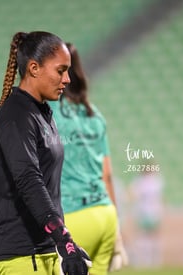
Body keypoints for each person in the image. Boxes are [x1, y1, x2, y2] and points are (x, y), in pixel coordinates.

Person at [0, 31, 91, 275]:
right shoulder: (17, 116)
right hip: (21, 254)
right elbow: (29, 180)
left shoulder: (40, 112)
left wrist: (66, 243)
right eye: (60, 70)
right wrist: (64, 240)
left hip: (41, 252)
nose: (67, 79)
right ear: (34, 68)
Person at [49, 43, 127, 275]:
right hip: (104, 215)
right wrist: (117, 232)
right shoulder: (95, 115)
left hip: (71, 217)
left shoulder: (48, 111)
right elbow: (108, 175)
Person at [129, 166, 163, 267]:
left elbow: (133, 194)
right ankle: (148, 260)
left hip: (149, 212)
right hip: (146, 212)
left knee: (148, 236)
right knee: (146, 237)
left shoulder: (149, 181)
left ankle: (150, 260)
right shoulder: (152, 181)